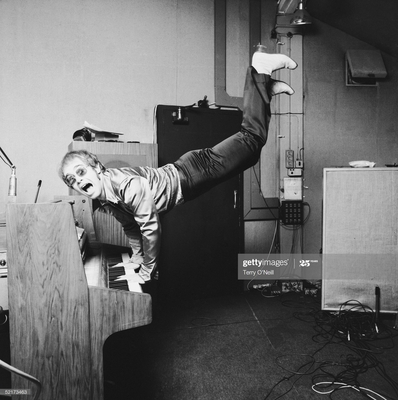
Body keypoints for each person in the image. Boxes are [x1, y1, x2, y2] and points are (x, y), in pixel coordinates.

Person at [59, 50, 297, 288]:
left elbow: (150, 228)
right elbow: (130, 226)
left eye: (81, 172)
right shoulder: (107, 199)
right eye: (71, 180)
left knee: (252, 139)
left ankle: (259, 70)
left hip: (193, 172)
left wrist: (148, 269)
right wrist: (137, 256)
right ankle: (265, 89)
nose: (78, 181)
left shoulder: (126, 187)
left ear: (97, 167)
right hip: (188, 178)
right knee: (250, 157)